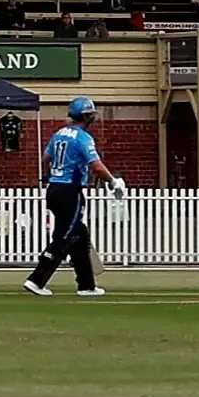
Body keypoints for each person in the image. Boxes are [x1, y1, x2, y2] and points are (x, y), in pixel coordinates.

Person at [25, 98, 124, 297]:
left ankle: (86, 285)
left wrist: (53, 174)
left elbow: (45, 158)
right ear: (87, 117)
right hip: (70, 191)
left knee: (80, 234)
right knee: (65, 235)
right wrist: (113, 181)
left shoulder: (59, 134)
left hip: (54, 188)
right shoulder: (83, 137)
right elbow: (96, 166)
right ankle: (36, 280)